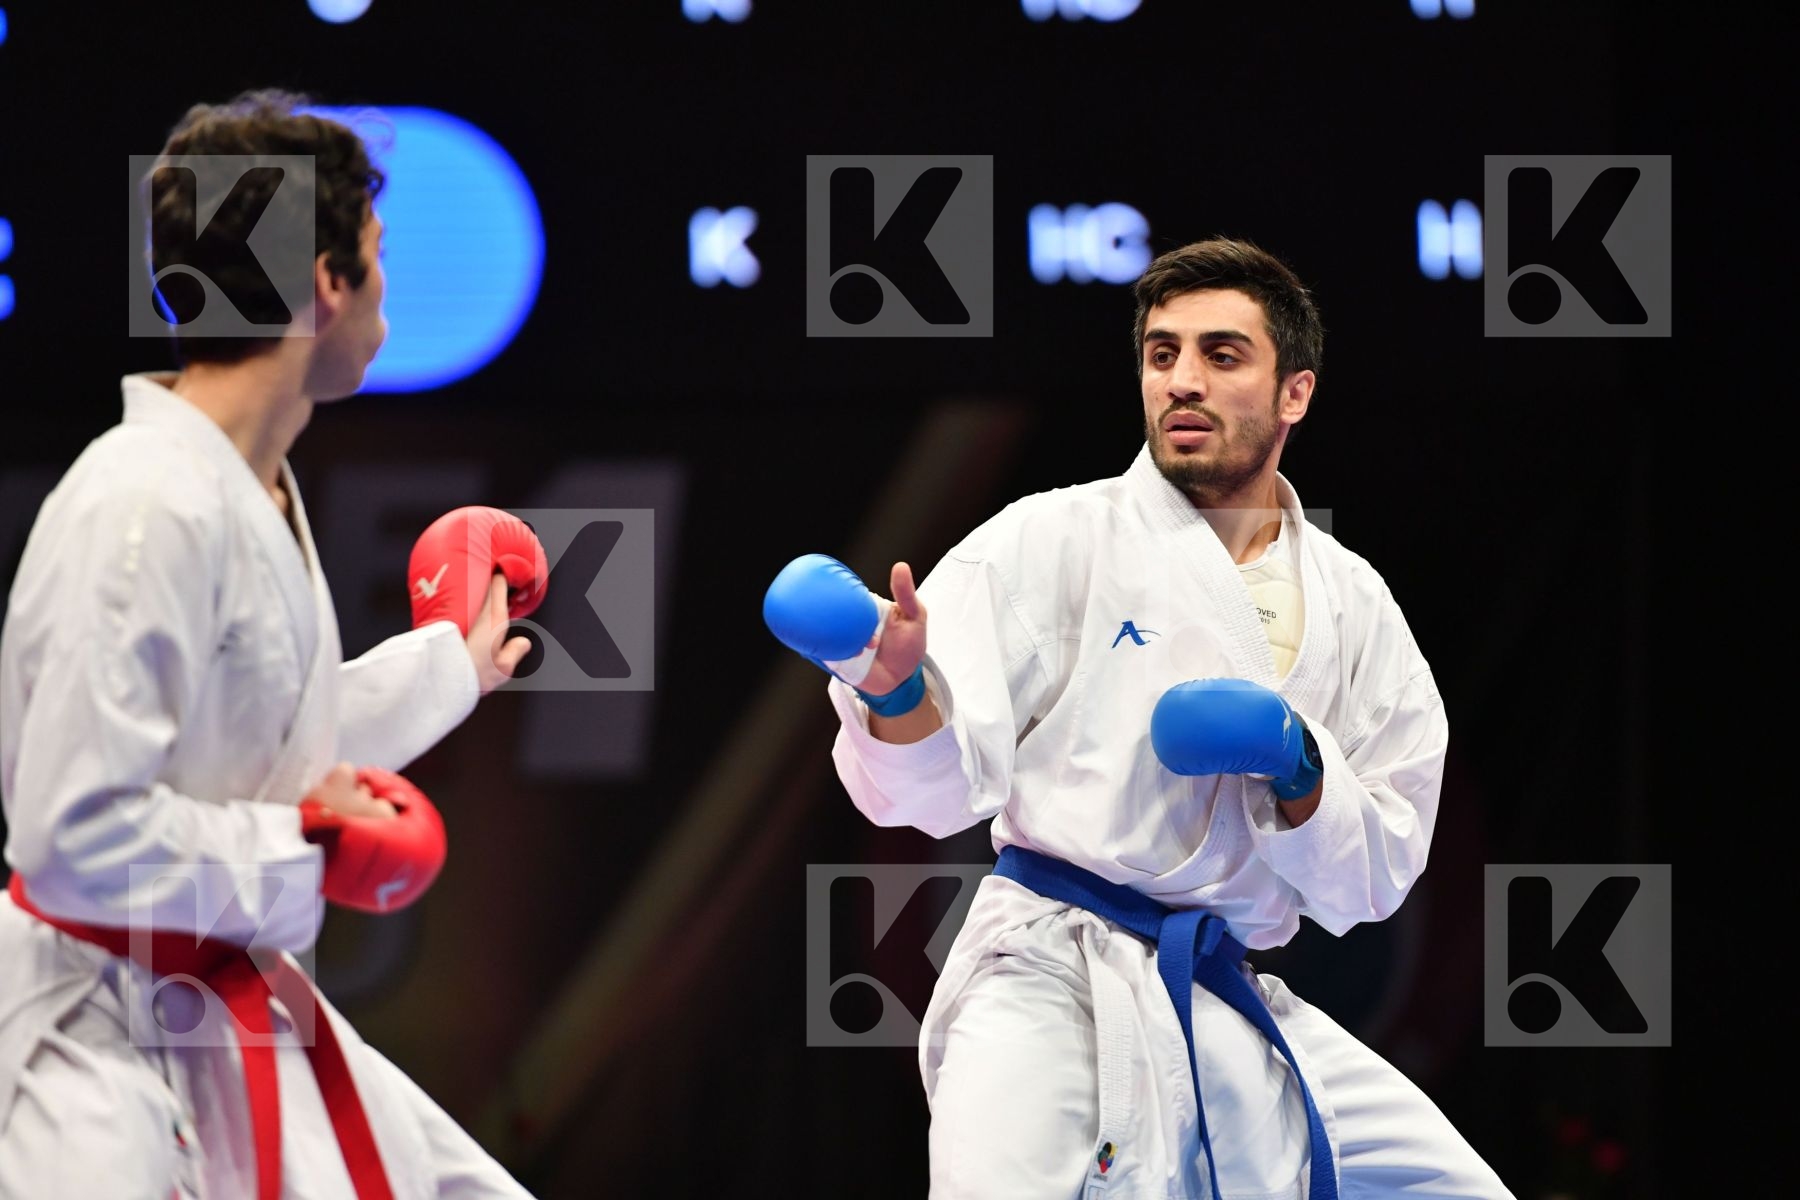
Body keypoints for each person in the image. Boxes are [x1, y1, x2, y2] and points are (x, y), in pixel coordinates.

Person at [767, 238, 1514, 1198]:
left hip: (1224, 992)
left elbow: (1375, 877)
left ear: (1296, 393)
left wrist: (1300, 767)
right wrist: (896, 690)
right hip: (1047, 976)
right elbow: (928, 794)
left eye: (1221, 355)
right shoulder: (1052, 538)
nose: (1182, 381)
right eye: (1162, 355)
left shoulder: (1354, 604)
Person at [0, 91, 537, 1198]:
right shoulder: (143, 507)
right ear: (328, 282)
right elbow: (70, 839)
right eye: (378, 255)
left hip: (208, 996)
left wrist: (450, 666)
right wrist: (305, 851)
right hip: (89, 1044)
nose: (388, 290)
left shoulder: (235, 487)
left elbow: (268, 746)